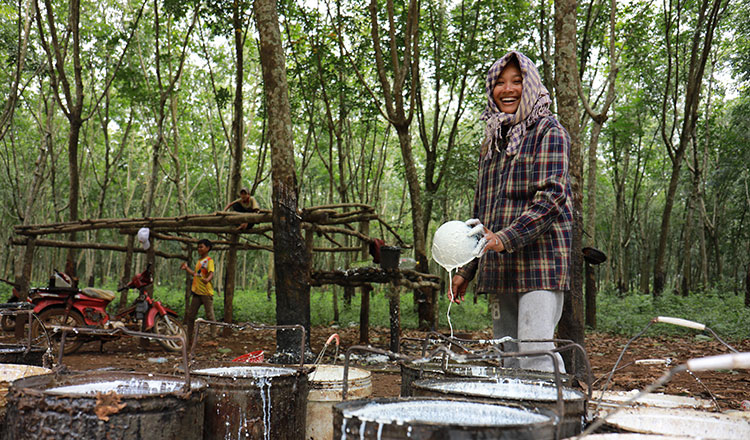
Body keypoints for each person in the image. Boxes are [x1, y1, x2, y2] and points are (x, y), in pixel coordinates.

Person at [451, 51, 573, 373]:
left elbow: (551, 197)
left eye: (516, 82)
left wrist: (505, 237)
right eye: (500, 83)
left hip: (540, 265)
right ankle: (516, 421)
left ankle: (559, 420)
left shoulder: (550, 131)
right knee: (506, 355)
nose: (507, 89)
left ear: (530, 85)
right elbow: (482, 214)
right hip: (500, 267)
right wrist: (467, 269)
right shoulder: (492, 142)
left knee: (534, 353)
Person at [181, 238, 217, 341]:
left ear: (208, 248)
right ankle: (189, 337)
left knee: (210, 315)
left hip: (206, 293)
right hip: (196, 292)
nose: (199, 249)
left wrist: (207, 280)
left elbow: (211, 273)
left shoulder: (209, 261)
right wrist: (186, 268)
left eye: (201, 247)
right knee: (191, 315)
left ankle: (213, 336)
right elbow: (196, 274)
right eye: (198, 247)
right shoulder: (199, 261)